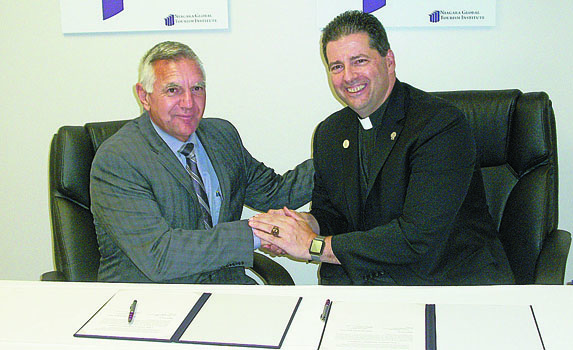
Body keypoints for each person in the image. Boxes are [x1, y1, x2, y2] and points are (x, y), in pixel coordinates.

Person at [249, 11, 515, 285]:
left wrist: (311, 246)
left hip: (443, 283)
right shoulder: (330, 132)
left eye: (359, 61)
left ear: (389, 61)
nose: (348, 76)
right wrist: (299, 225)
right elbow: (333, 216)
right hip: (363, 285)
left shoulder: (440, 125)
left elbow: (415, 238)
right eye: (336, 66)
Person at [90, 41, 313, 284]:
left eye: (197, 88)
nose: (188, 103)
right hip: (152, 302)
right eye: (173, 90)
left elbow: (276, 192)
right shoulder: (119, 158)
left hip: (227, 291)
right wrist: (259, 233)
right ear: (144, 96)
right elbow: (160, 255)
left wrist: (343, 153)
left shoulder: (221, 136)